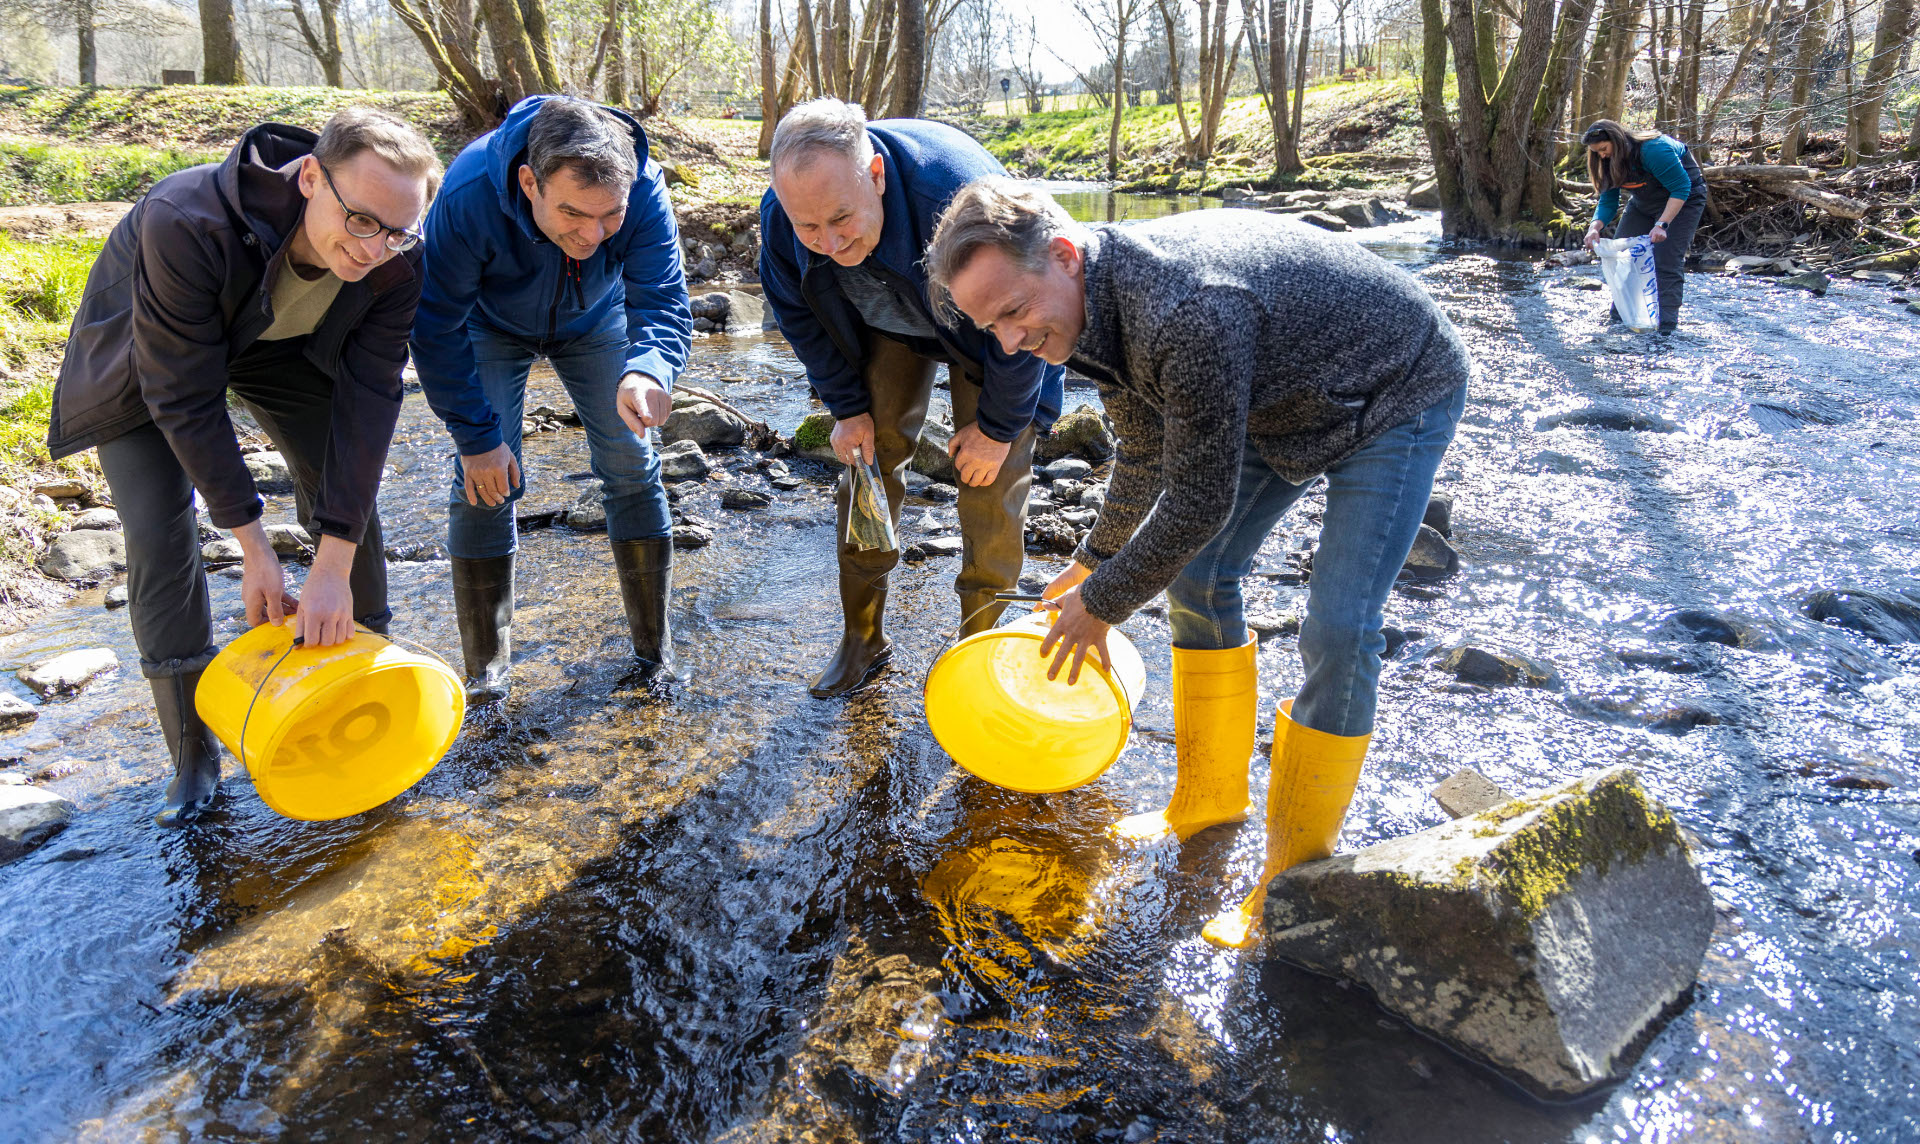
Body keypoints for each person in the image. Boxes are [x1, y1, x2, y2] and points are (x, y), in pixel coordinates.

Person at [926, 180, 1471, 949]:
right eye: (991, 328)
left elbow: (1197, 501)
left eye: (1014, 312)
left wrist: (1103, 603)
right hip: (1280, 395)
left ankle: (1293, 880)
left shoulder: (1184, 312)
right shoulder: (1088, 315)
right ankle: (1208, 800)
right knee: (1199, 578)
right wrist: (1092, 561)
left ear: (1064, 255)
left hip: (1394, 388)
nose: (1010, 343)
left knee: (1340, 627)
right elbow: (1145, 453)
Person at [46, 109, 443, 827]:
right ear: (311, 178)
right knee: (159, 534)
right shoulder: (186, 218)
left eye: (396, 231)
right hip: (149, 361)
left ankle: (366, 686)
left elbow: (369, 402)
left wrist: (330, 566)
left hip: (280, 349)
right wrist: (253, 546)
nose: (374, 248)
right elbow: (183, 395)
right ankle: (192, 755)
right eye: (360, 221)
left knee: (348, 507)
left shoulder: (398, 255)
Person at [759, 98, 1064, 698]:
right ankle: (862, 637)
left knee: (992, 478)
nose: (828, 241)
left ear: (875, 175)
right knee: (867, 462)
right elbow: (798, 317)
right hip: (887, 323)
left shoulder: (957, 198)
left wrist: (999, 429)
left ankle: (979, 656)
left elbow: (1025, 315)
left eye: (841, 218)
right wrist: (847, 410)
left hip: (990, 329)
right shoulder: (783, 216)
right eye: (808, 228)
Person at [411, 95, 691, 703]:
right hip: (488, 326)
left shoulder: (642, 186)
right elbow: (434, 327)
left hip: (597, 321)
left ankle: (655, 653)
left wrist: (648, 369)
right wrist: (476, 437)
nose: (591, 234)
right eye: (572, 213)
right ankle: (486, 674)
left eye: (609, 216)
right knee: (484, 478)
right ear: (528, 183)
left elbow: (662, 297)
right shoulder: (468, 194)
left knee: (631, 461)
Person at [1580, 119, 1709, 335]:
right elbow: (1608, 200)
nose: (1601, 155)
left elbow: (1681, 187)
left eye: (1603, 149)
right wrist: (1595, 227)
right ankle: (1620, 319)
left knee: (1665, 260)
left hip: (1685, 198)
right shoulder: (1606, 160)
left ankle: (1666, 328)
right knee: (1623, 256)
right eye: (1596, 152)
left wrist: (1661, 225)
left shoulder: (1653, 149)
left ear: (1617, 141)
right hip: (1643, 203)